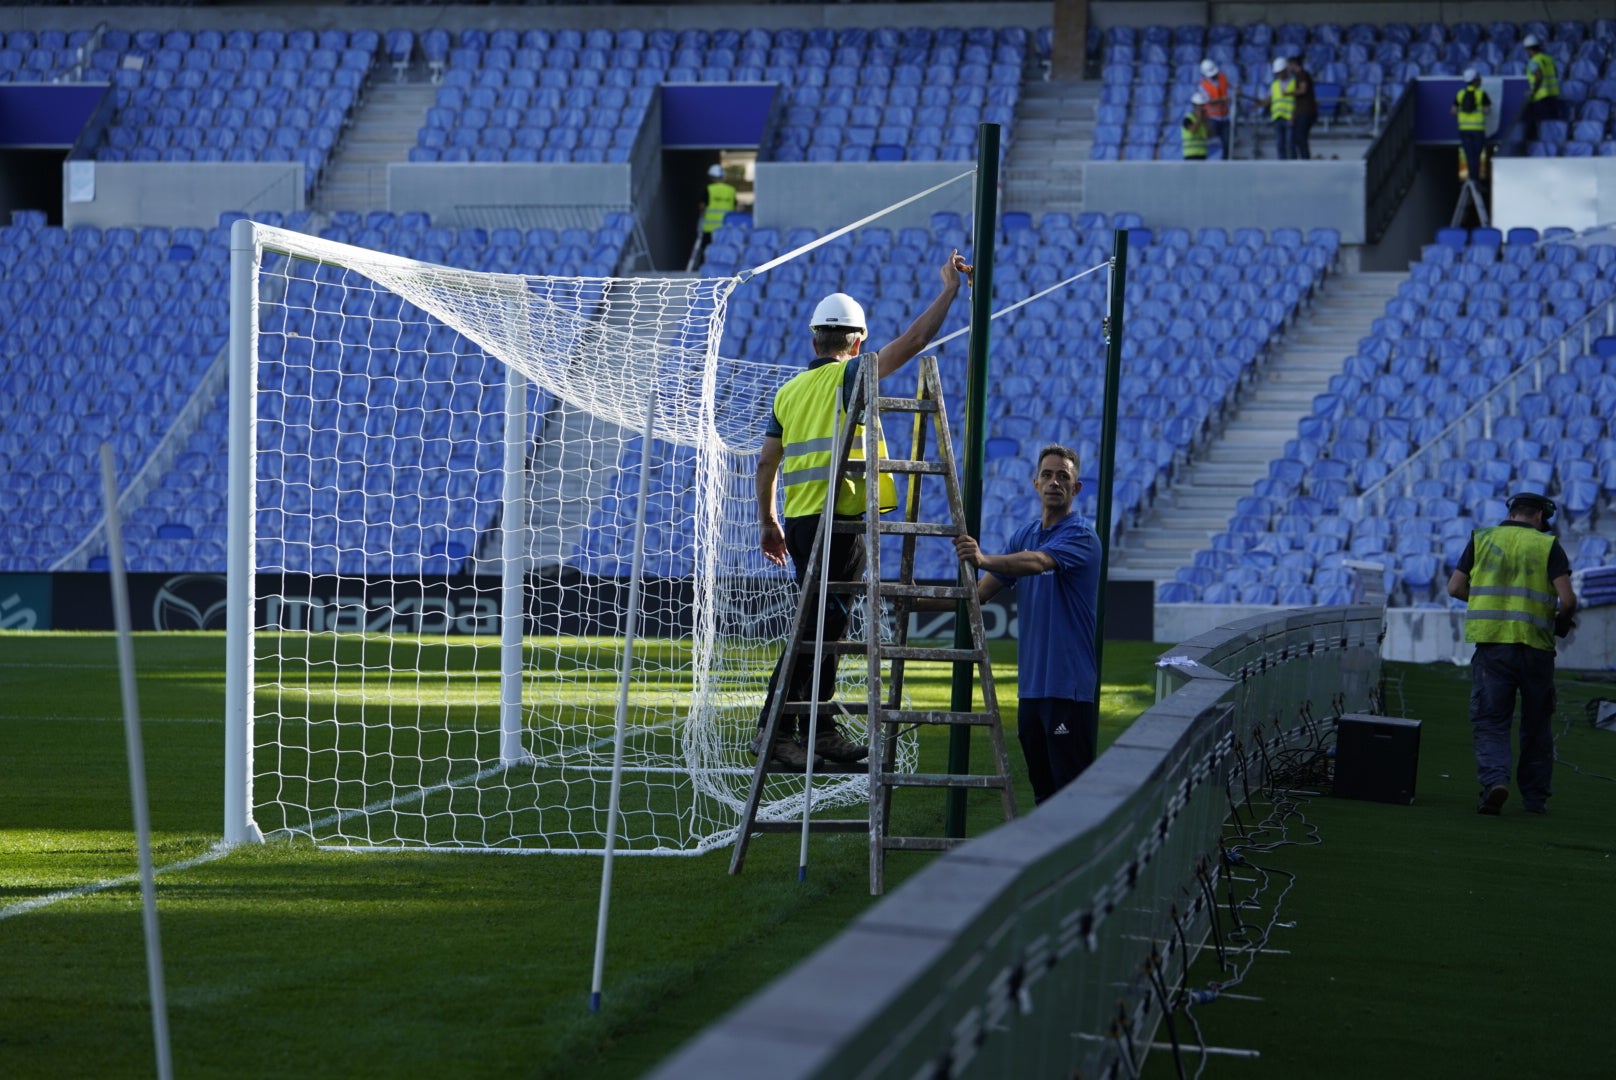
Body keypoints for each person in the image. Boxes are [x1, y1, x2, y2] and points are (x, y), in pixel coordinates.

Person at [752, 250, 973, 770]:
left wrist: (768, 521)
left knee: (825, 625)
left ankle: (819, 726)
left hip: (804, 521)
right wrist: (947, 291)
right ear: (856, 342)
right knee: (819, 626)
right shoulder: (848, 378)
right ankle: (777, 728)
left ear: (814, 340)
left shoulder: (788, 392)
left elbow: (766, 465)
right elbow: (914, 343)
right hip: (841, 520)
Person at [951, 446, 1101, 804]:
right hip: (1031, 690)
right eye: (1048, 475)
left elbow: (1036, 563)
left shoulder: (1081, 536)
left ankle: (1083, 860)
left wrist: (984, 557)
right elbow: (980, 594)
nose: (1054, 482)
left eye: (1063, 476)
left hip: (1069, 689)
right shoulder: (1025, 535)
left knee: (1071, 797)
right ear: (1035, 483)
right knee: (1043, 794)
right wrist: (919, 602)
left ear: (1076, 488)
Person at [1445, 492, 1578, 816]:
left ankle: (1495, 783)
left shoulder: (1482, 538)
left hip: (1493, 647)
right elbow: (1568, 600)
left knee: (1491, 720)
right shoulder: (1548, 545)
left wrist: (1485, 604)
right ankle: (1535, 799)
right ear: (1537, 517)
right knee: (1536, 724)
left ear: (1513, 512)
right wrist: (1560, 622)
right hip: (1536, 648)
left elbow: (1454, 588)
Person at [1452, 69, 1492, 181]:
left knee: (1469, 155)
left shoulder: (1460, 94)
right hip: (1478, 129)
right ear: (1475, 80)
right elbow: (1487, 111)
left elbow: (1453, 111)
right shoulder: (1481, 94)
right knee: (1477, 155)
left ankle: (1471, 178)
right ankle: (1474, 179)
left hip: (1464, 129)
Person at [1521, 33, 1560, 143]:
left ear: (1529, 49)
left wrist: (1533, 91)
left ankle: (1543, 146)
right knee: (1551, 125)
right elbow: (1555, 74)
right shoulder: (1548, 58)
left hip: (1541, 97)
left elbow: (1539, 76)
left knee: (1542, 125)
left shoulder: (1534, 61)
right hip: (1553, 95)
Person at [1257, 57, 1294, 161]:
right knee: (1280, 144)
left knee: (1290, 144)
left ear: (1286, 71)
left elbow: (1297, 101)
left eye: (1280, 72)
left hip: (1289, 117)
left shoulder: (1294, 83)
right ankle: (1282, 165)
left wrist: (1294, 115)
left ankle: (1292, 165)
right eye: (1277, 73)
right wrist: (1259, 104)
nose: (1279, 75)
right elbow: (1268, 100)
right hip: (1277, 118)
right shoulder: (1274, 85)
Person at [1198, 59, 1234, 159]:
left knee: (1227, 143)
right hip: (1212, 119)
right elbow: (1209, 101)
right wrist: (1223, 99)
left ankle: (1225, 163)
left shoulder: (1223, 77)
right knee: (1214, 144)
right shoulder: (1203, 85)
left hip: (1225, 117)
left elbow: (1231, 87)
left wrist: (1235, 90)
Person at [698, 163, 736, 256]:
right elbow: (735, 207)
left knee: (709, 254)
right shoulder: (731, 190)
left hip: (710, 229)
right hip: (727, 229)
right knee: (724, 254)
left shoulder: (709, 189)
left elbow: (702, 206)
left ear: (711, 176)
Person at [1286, 56, 1316, 160]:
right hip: (1301, 112)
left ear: (1294, 64)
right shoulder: (1298, 77)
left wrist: (1288, 93)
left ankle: (1305, 160)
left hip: (1306, 112)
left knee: (1301, 138)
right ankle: (1303, 159)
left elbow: (1303, 90)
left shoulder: (1302, 75)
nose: (1288, 69)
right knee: (1298, 138)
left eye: (1289, 66)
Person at [1181, 92, 1211, 161]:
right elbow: (1193, 130)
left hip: (1202, 154)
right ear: (1195, 106)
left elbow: (1210, 134)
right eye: (1201, 106)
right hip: (1190, 155)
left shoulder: (1204, 120)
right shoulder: (1188, 119)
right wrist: (1199, 119)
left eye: (1203, 106)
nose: (1202, 108)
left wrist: (1206, 121)